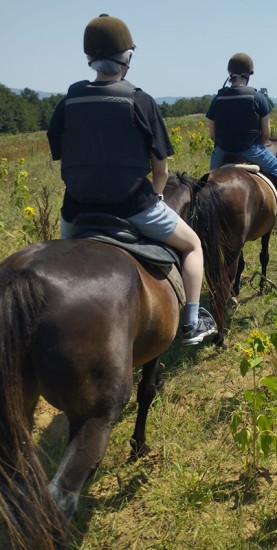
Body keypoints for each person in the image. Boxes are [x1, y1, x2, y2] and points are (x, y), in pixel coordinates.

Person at [47, 13, 217, 346]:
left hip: (77, 210)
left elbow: (64, 156)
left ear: (90, 59)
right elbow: (161, 171)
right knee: (193, 244)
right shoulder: (140, 100)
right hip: (132, 206)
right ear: (126, 57)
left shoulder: (68, 101)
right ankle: (192, 322)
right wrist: (153, 198)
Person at [206, 52, 277, 231]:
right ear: (248, 74)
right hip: (251, 150)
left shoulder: (217, 99)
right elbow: (266, 135)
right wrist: (259, 144)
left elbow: (212, 135)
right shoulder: (258, 98)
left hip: (222, 151)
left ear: (230, 74)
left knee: (208, 183)